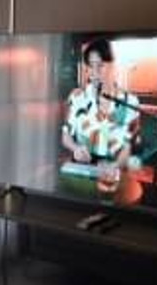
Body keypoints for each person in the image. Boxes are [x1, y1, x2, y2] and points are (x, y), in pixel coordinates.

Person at [60, 38, 140, 192]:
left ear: (112, 66)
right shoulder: (77, 97)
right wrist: (76, 148)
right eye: (91, 66)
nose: (94, 72)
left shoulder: (130, 102)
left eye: (100, 65)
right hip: (81, 170)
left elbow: (128, 147)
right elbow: (65, 136)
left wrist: (114, 166)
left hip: (113, 174)